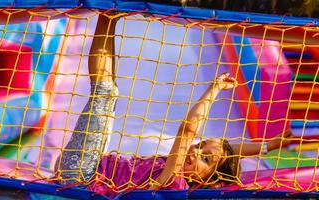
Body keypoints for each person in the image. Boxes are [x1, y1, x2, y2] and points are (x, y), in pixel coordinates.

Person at [54, 14, 293, 198]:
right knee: (111, 94)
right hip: (92, 163)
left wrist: (215, 89)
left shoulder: (173, 182)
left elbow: (188, 129)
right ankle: (110, 17)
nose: (195, 151)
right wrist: (268, 146)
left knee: (104, 94)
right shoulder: (181, 169)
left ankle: (107, 14)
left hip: (81, 174)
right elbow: (229, 149)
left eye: (205, 159)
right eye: (200, 147)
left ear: (207, 181)